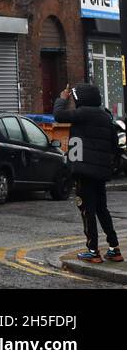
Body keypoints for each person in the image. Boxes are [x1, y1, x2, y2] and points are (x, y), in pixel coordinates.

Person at [54, 83, 122, 263]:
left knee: (87, 210)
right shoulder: (105, 116)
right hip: (100, 171)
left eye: (75, 98)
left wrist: (62, 98)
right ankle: (114, 248)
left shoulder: (84, 113)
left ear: (80, 99)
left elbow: (59, 115)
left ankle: (93, 251)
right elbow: (114, 144)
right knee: (102, 209)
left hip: (84, 171)